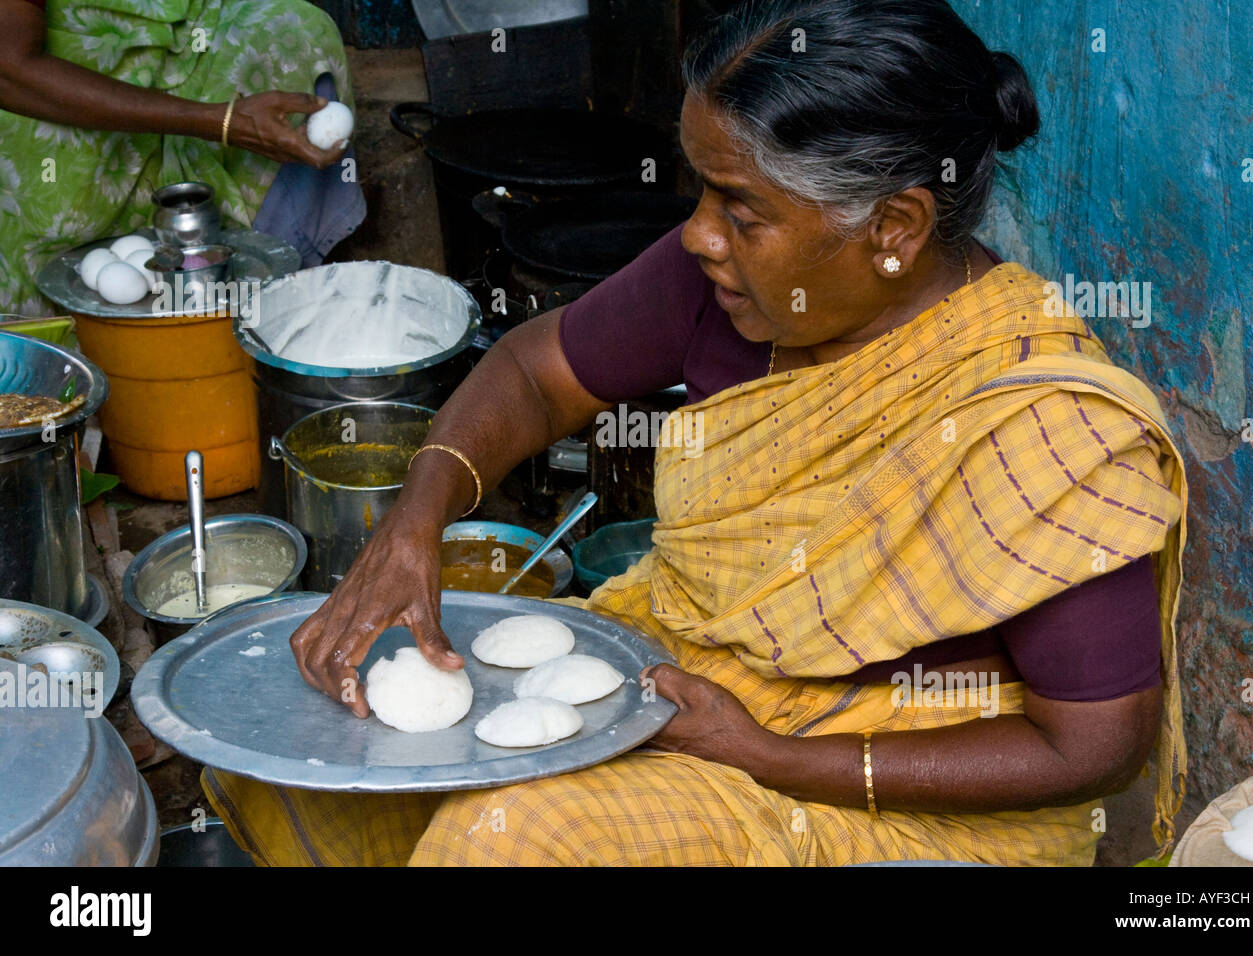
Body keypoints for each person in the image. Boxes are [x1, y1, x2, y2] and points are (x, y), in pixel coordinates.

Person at [202, 0, 1189, 866]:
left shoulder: (1041, 425)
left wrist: (770, 752)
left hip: (886, 798)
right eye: (701, 189)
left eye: (741, 208)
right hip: (684, 678)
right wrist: (413, 521)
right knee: (301, 759)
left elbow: (1090, 747)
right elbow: (534, 373)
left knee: (514, 835)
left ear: (892, 226)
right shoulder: (735, 286)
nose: (698, 234)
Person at [0, 0, 362, 314]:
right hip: (57, 86)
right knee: (81, 233)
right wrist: (216, 121)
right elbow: (8, 66)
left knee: (297, 32)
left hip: (186, 37)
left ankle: (263, 298)